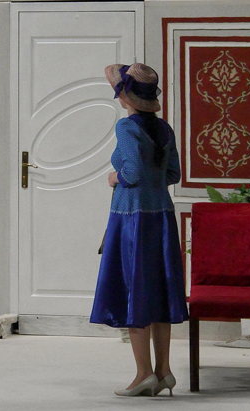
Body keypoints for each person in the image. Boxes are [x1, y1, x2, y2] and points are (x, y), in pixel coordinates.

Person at [90, 62, 189, 397]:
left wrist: (113, 177)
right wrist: (152, 178)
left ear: (125, 97)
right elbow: (173, 174)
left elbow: (131, 173)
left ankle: (143, 374)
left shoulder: (126, 127)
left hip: (132, 219)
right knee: (159, 292)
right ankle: (164, 371)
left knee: (135, 292)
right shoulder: (164, 129)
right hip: (162, 218)